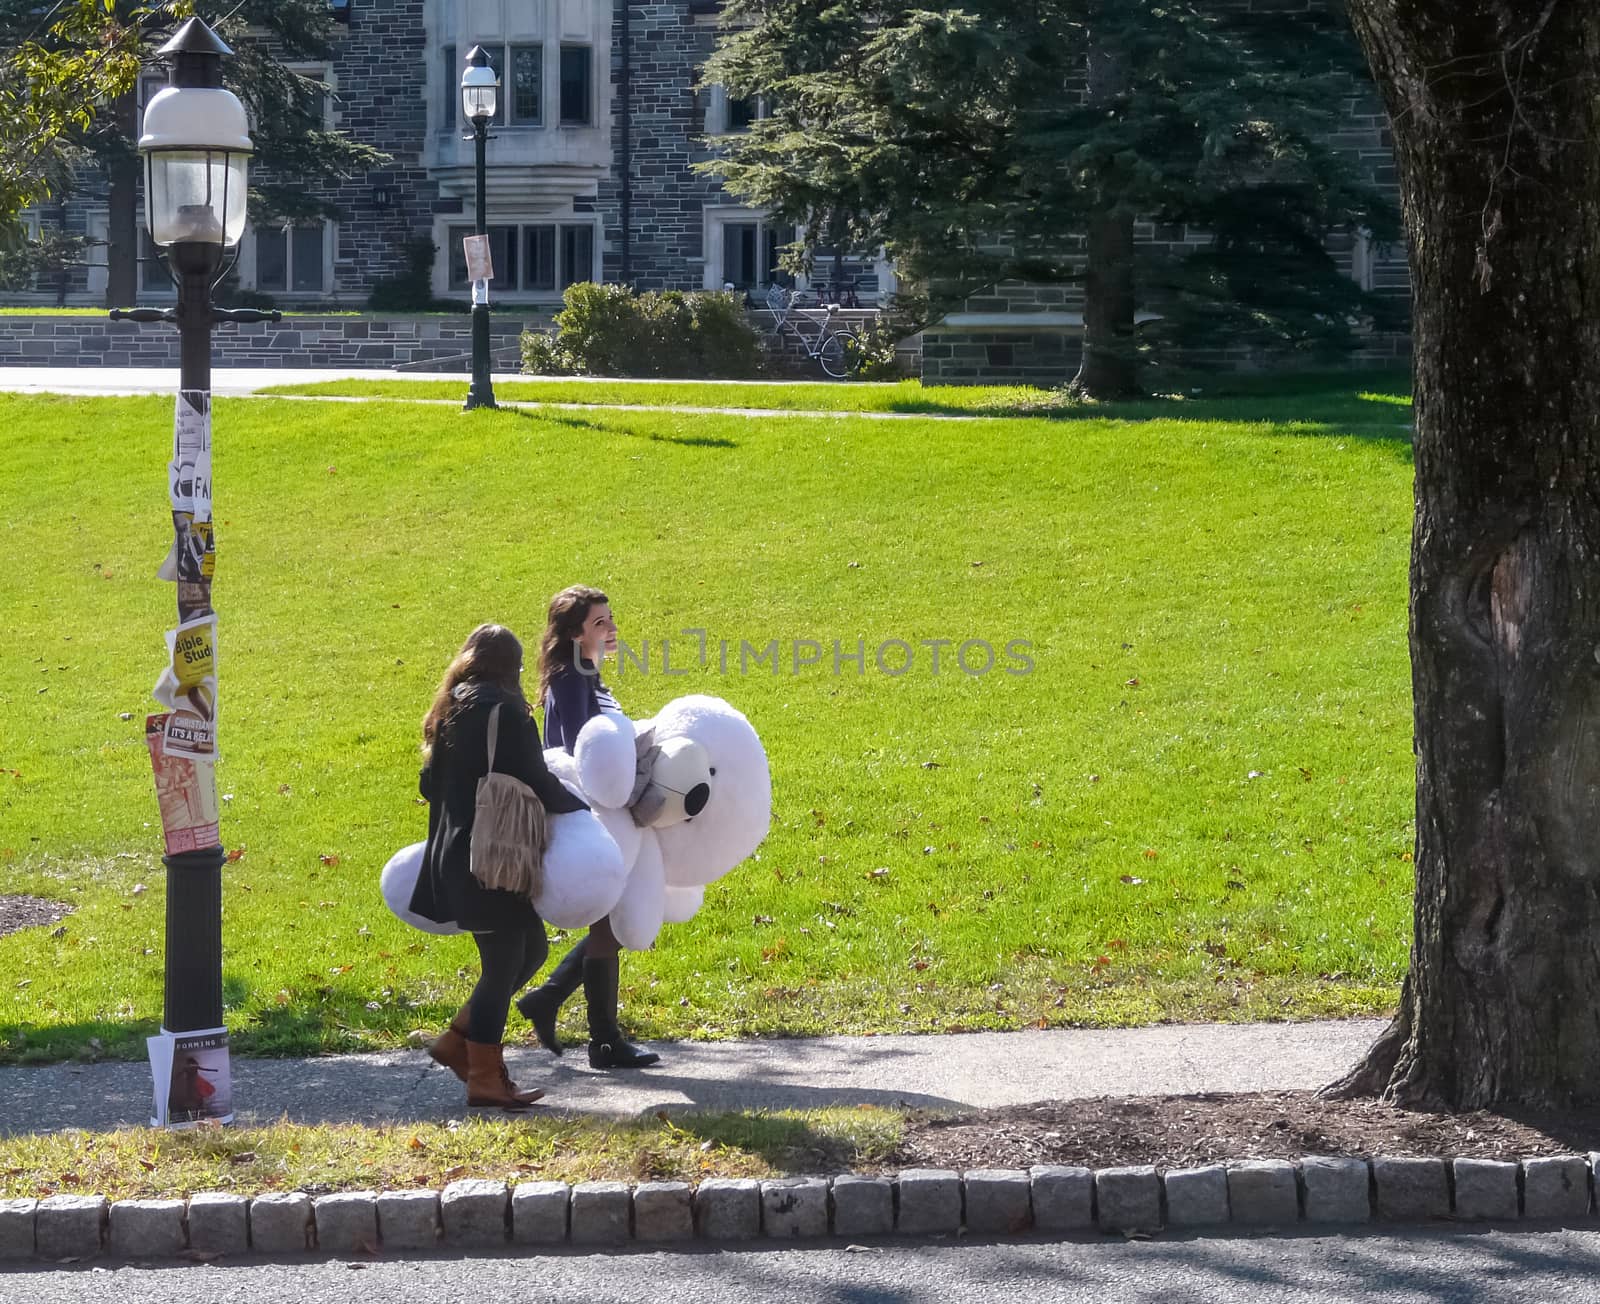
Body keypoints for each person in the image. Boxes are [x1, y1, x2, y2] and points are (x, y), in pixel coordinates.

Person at [409, 622, 590, 1109]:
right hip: (491, 858)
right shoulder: (506, 712)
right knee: (504, 964)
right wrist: (586, 811)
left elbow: (429, 786)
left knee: (529, 950)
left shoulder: (448, 710)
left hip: (456, 859)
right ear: (512, 668)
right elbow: (537, 778)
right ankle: (485, 1078)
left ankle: (457, 1043)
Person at [516, 585, 661, 1070]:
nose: (611, 628)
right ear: (575, 633)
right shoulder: (570, 678)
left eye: (611, 618)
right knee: (611, 923)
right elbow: (580, 748)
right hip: (591, 815)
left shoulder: (585, 674)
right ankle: (601, 1039)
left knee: (614, 923)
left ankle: (557, 1005)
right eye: (600, 622)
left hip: (607, 813)